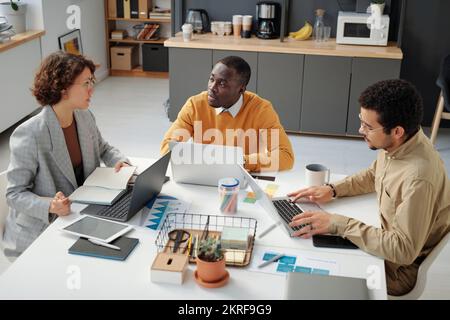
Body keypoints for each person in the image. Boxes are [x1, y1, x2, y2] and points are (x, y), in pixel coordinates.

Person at [288, 79, 450, 296]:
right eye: (361, 121)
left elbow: (402, 250)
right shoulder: (401, 142)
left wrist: (339, 224)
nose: (360, 130)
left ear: (397, 131)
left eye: (368, 126)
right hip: (384, 239)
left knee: (317, 273)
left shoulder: (418, 179)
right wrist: (333, 189)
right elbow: (375, 173)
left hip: (396, 269)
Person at [3, 52, 130, 257]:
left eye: (92, 81)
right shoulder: (31, 133)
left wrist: (121, 162)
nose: (92, 89)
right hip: (40, 230)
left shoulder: (84, 116)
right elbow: (14, 194)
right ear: (63, 89)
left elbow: (103, 148)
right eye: (86, 83)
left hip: (78, 215)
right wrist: (50, 205)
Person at [160, 56, 294, 172]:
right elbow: (167, 147)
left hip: (242, 175)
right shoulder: (195, 105)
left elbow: (285, 156)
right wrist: (196, 158)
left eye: (222, 84)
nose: (212, 88)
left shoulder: (261, 109)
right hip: (203, 173)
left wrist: (241, 161)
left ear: (241, 89)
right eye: (211, 79)